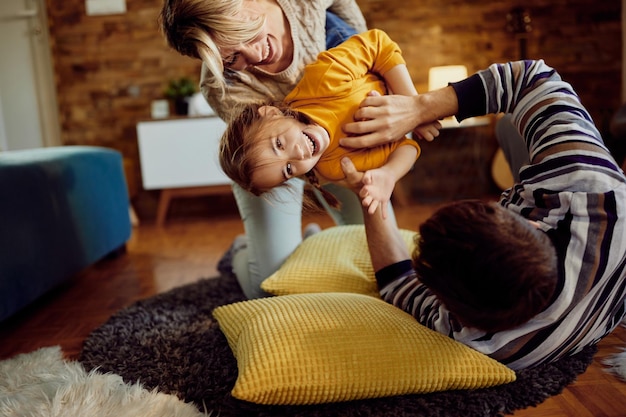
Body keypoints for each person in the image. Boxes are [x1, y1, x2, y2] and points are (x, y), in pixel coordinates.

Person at [340, 59, 626, 370]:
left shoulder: (472, 339)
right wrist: (419, 108)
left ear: (454, 308)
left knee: (506, 124)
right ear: (532, 222)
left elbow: (396, 281)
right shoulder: (591, 192)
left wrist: (372, 193)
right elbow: (530, 79)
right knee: (507, 123)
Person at [159, 0, 373, 299]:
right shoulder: (222, 88)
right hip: (268, 164)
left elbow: (361, 32)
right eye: (232, 58)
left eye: (245, 35)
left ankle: (308, 242)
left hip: (325, 143)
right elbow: (275, 158)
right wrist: (321, 171)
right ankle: (241, 253)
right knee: (271, 287)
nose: (254, 57)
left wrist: (366, 77)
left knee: (376, 252)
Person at [219, 29, 437, 219]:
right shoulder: (336, 166)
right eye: (288, 169)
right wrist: (389, 174)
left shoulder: (322, 80)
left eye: (279, 144)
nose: (298, 156)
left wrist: (416, 107)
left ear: (271, 113)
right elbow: (405, 147)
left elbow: (379, 44)